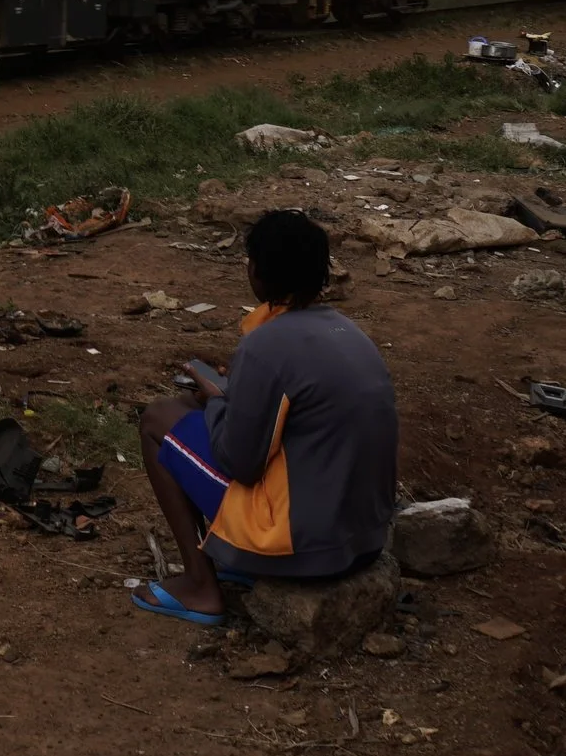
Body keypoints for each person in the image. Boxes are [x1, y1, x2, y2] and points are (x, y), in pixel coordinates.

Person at [131, 210, 398, 626]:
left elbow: (241, 462)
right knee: (194, 412)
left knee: (158, 419)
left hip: (307, 550)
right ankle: (234, 555)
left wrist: (218, 398)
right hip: (364, 541)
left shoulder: (266, 345)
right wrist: (229, 397)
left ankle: (202, 587)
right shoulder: (350, 333)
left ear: (258, 272)